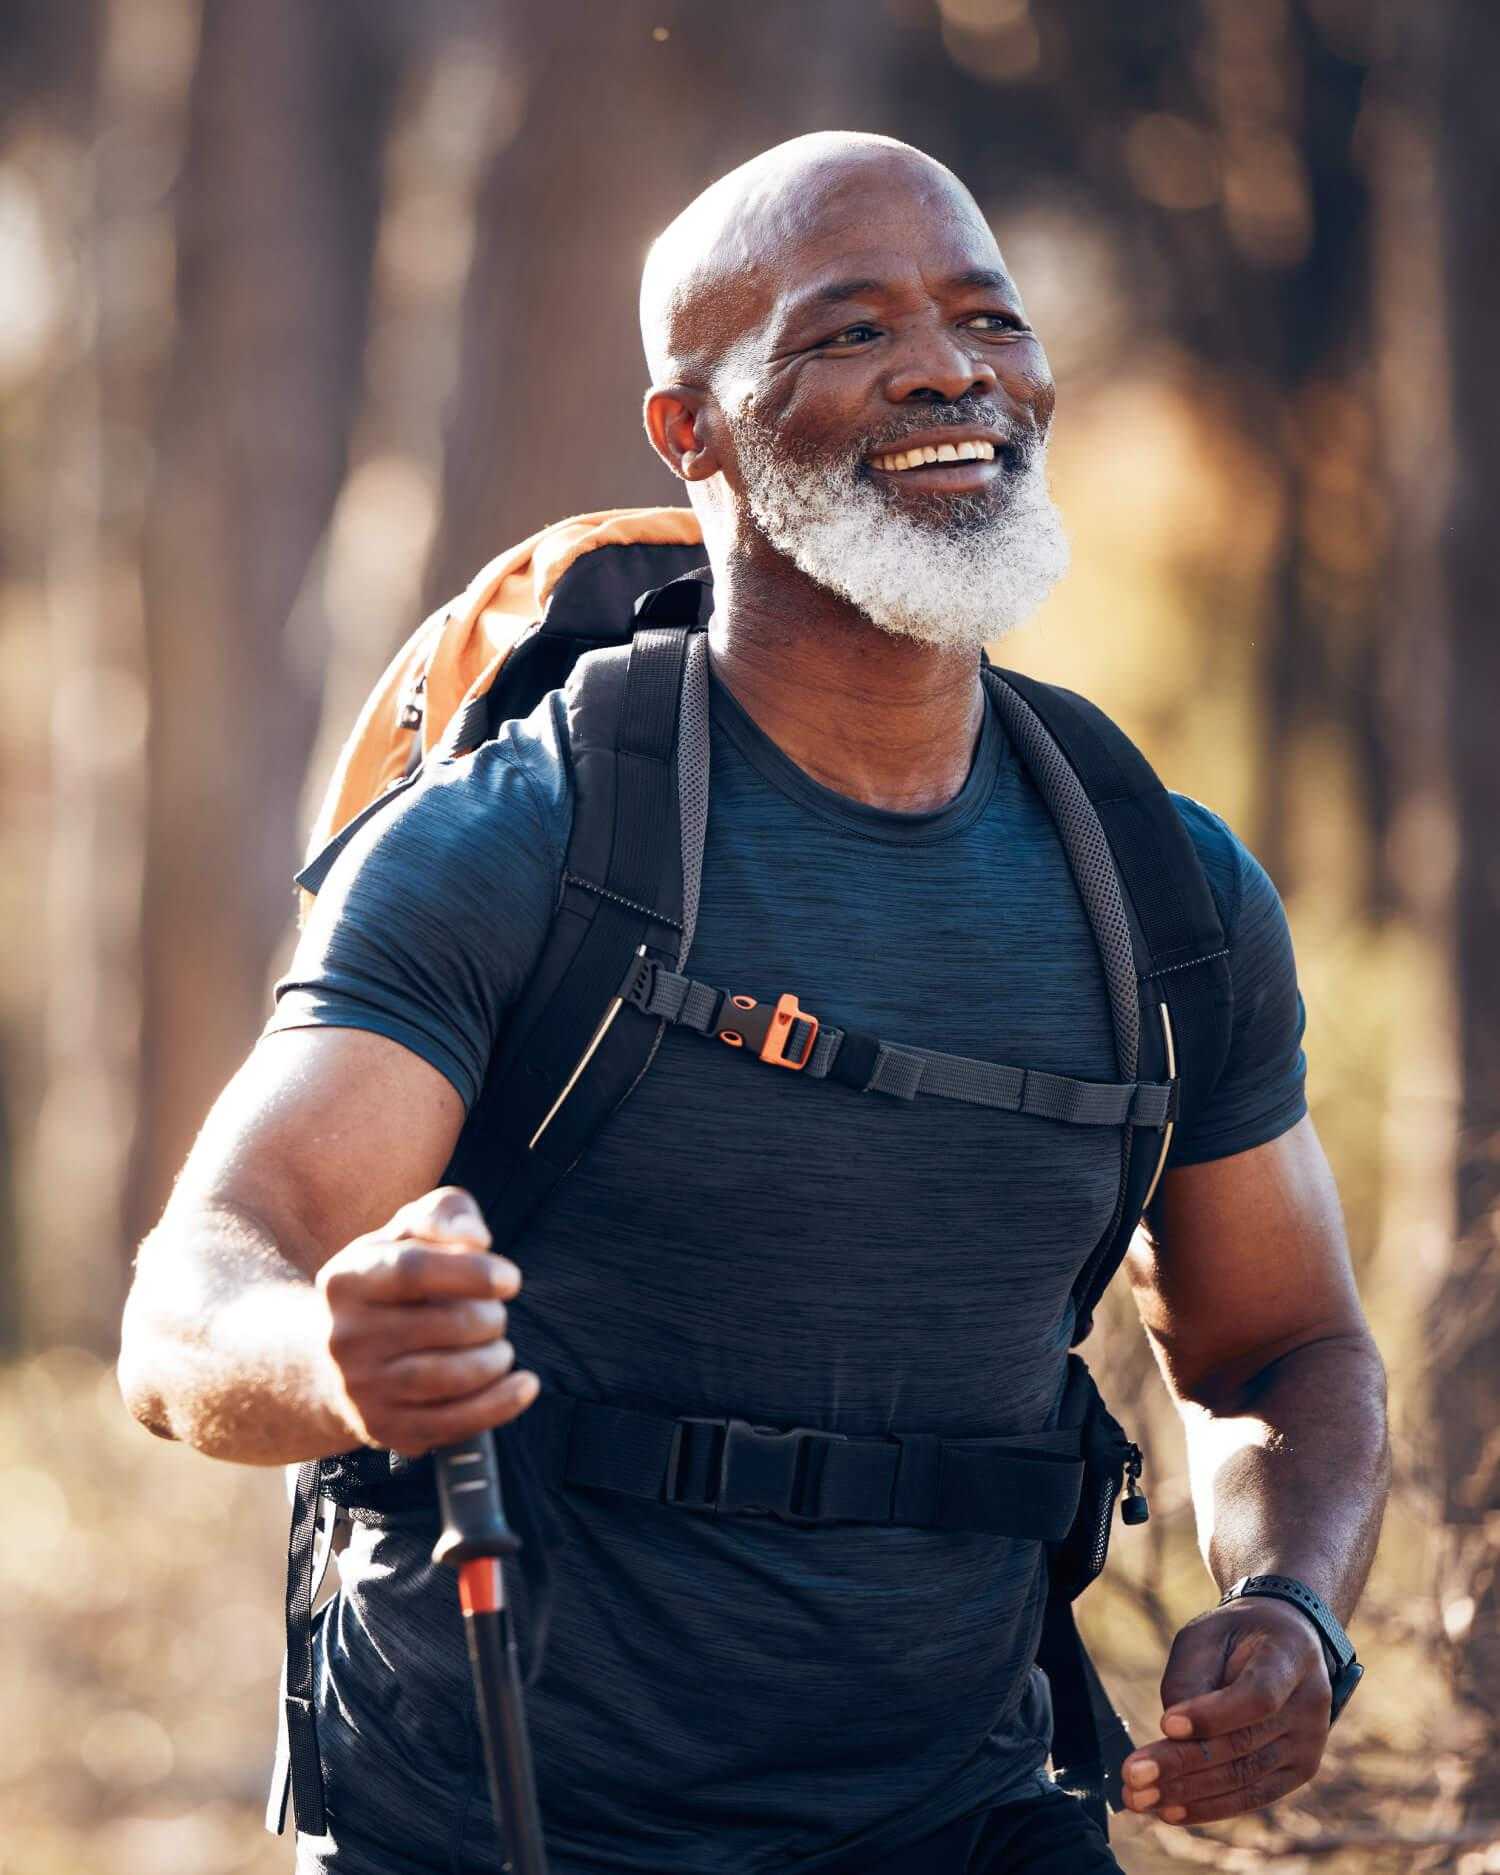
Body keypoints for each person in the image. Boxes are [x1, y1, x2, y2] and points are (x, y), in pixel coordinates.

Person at [118, 132, 1390, 1875]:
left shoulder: (1163, 894)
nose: (950, 367)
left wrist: (1293, 1603)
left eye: (986, 319)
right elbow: (192, 1301)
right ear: (688, 429)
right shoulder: (520, 843)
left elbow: (1281, 1348)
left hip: (967, 1815)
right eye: (847, 334)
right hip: (500, 1819)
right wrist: (330, 1356)